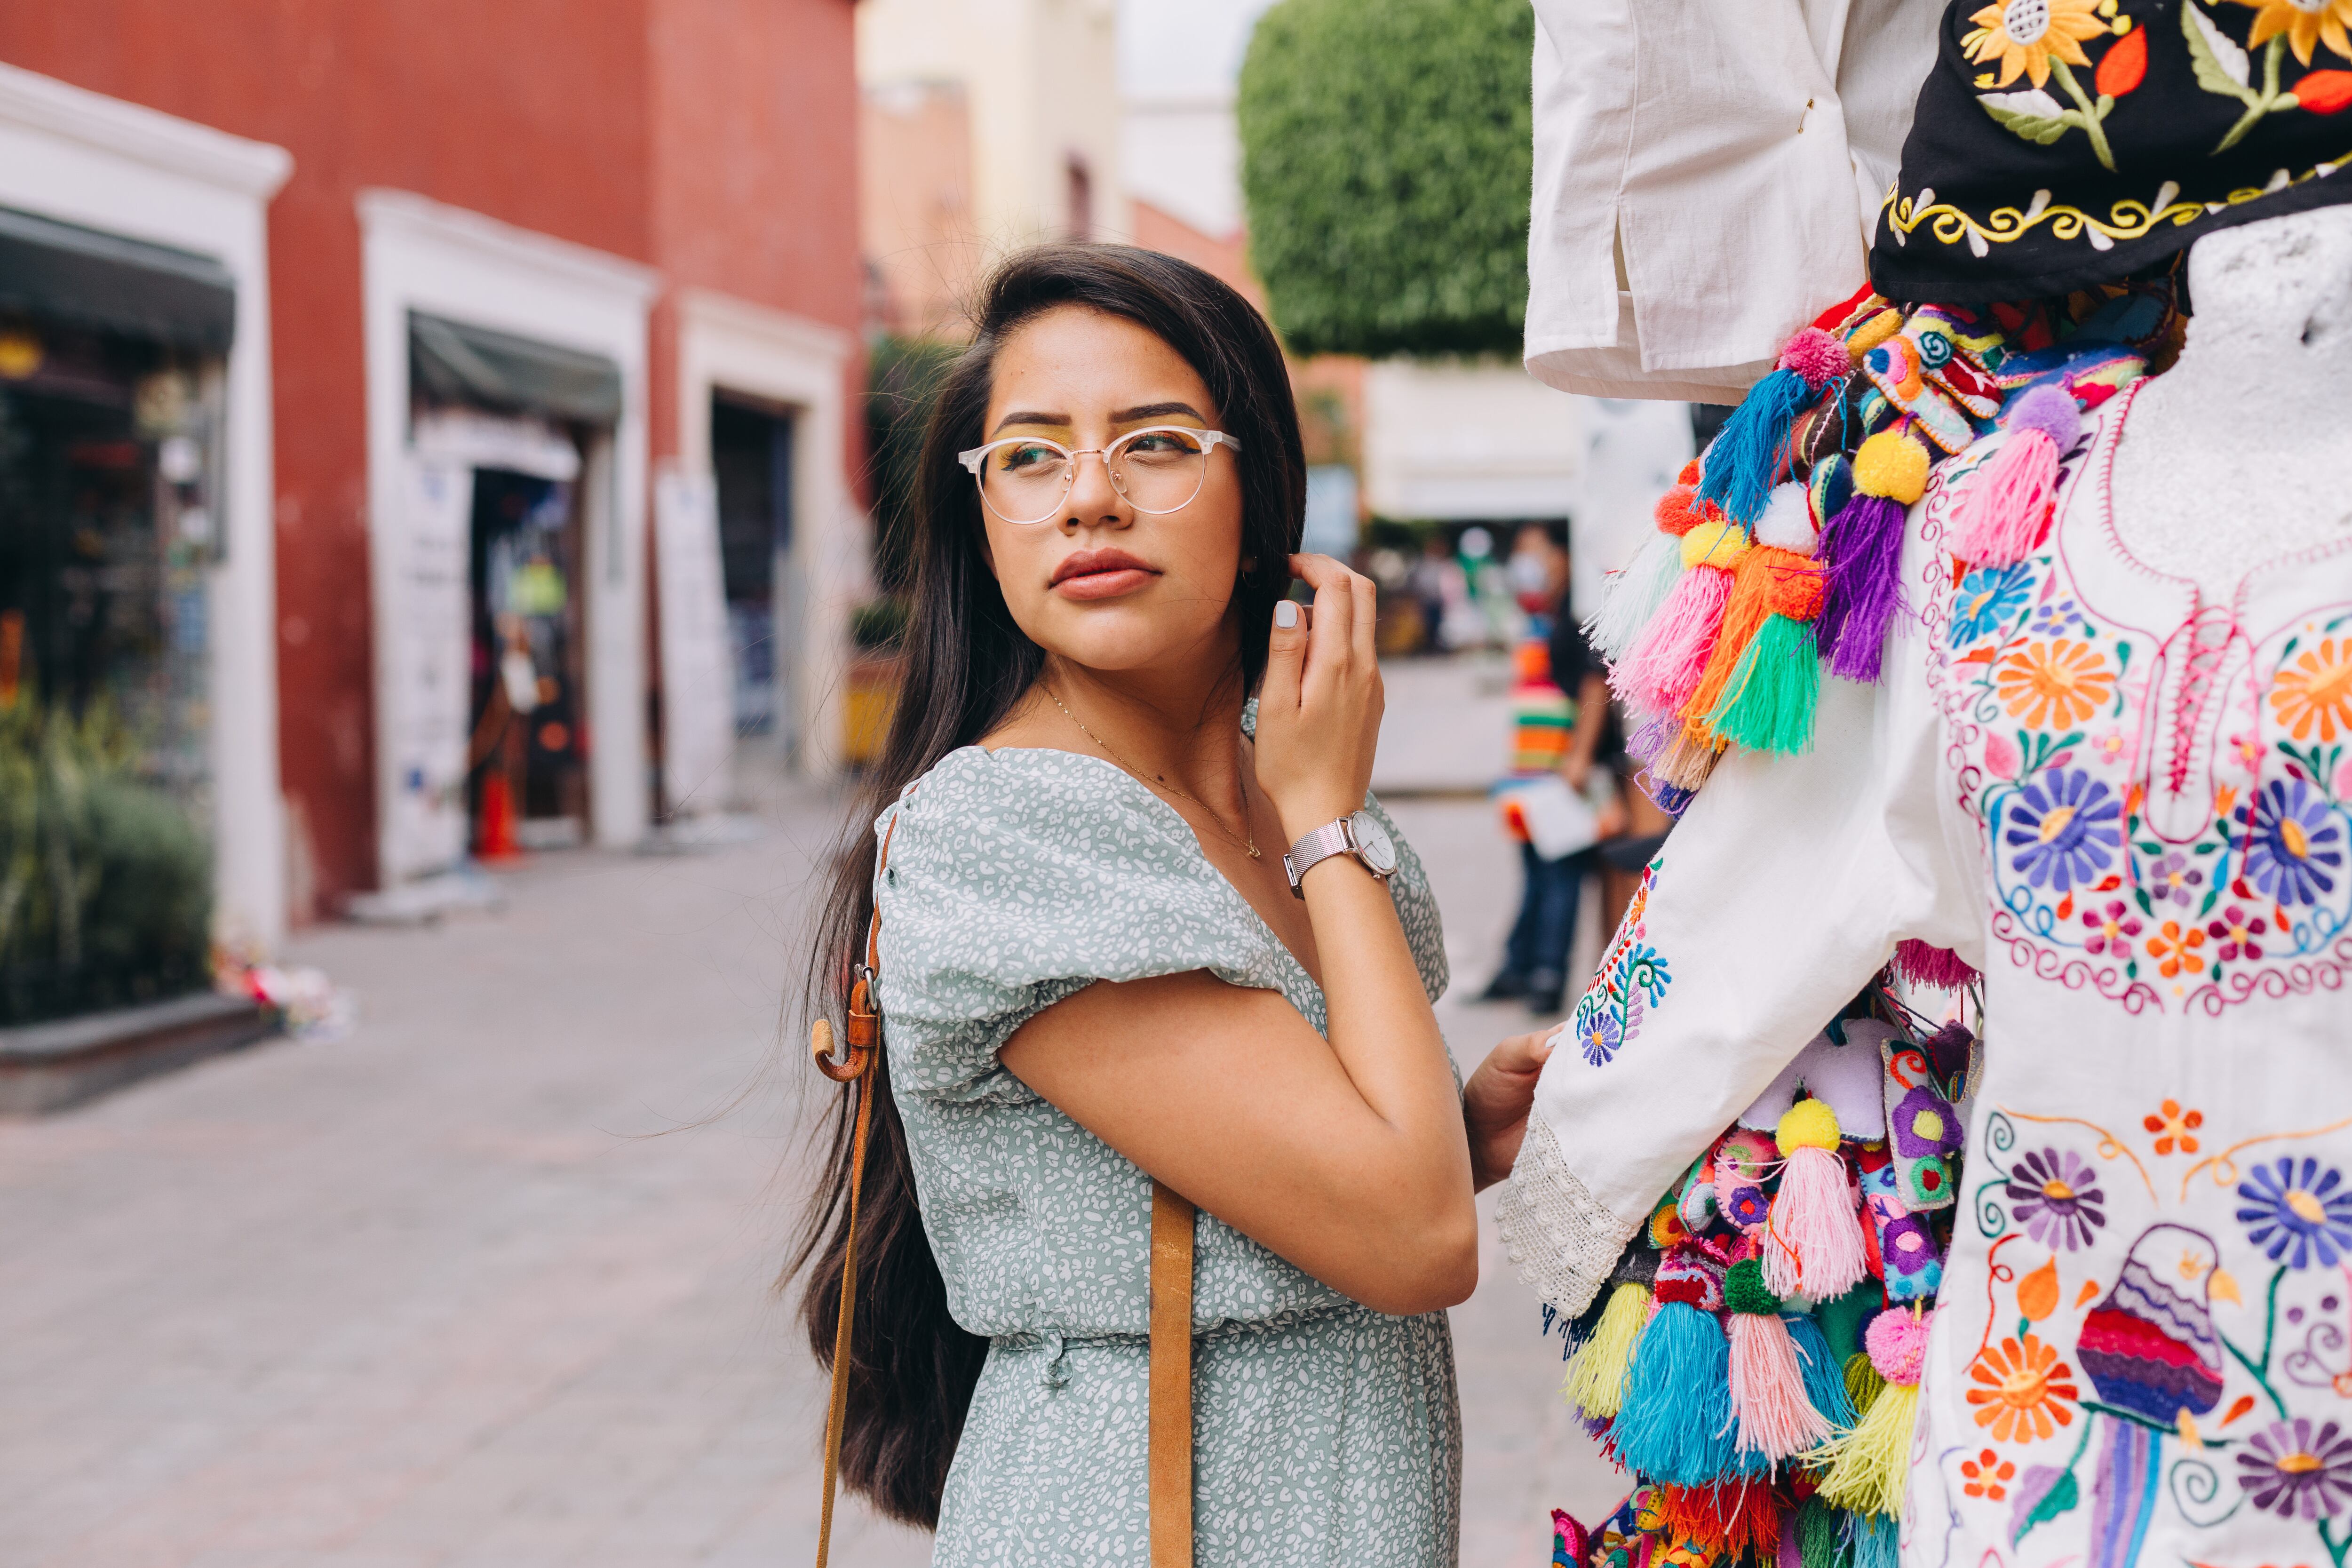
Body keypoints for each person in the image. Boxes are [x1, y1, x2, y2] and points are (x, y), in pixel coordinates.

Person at [789, 245, 1549, 1566]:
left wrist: (1458, 1132)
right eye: (1028, 457)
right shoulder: (1013, 829)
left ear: (1256, 487)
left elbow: (1347, 1182)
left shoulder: (1276, 783)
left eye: (1152, 444)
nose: (1089, 499)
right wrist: (1326, 823)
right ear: (983, 516)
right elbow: (1415, 1241)